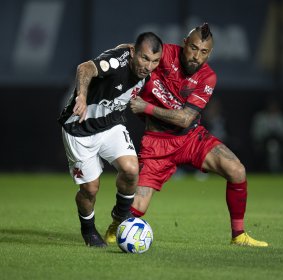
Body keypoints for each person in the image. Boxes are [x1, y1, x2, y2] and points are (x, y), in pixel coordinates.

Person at [105, 23, 268, 247]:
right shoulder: (164, 54)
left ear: (209, 53)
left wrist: (146, 108)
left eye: (203, 52)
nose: (196, 56)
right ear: (184, 44)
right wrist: (119, 54)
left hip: (191, 138)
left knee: (237, 170)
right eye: (193, 48)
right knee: (137, 207)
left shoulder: (207, 77)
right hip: (157, 143)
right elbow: (136, 52)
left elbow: (185, 119)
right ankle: (116, 224)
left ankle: (238, 235)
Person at [58, 32, 163, 247]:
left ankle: (121, 219)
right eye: (144, 58)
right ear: (133, 52)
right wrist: (82, 96)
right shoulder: (116, 61)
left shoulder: (147, 67)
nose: (148, 66)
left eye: (154, 61)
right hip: (80, 128)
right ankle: (88, 231)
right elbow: (84, 68)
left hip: (111, 125)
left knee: (131, 169)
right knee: (90, 189)